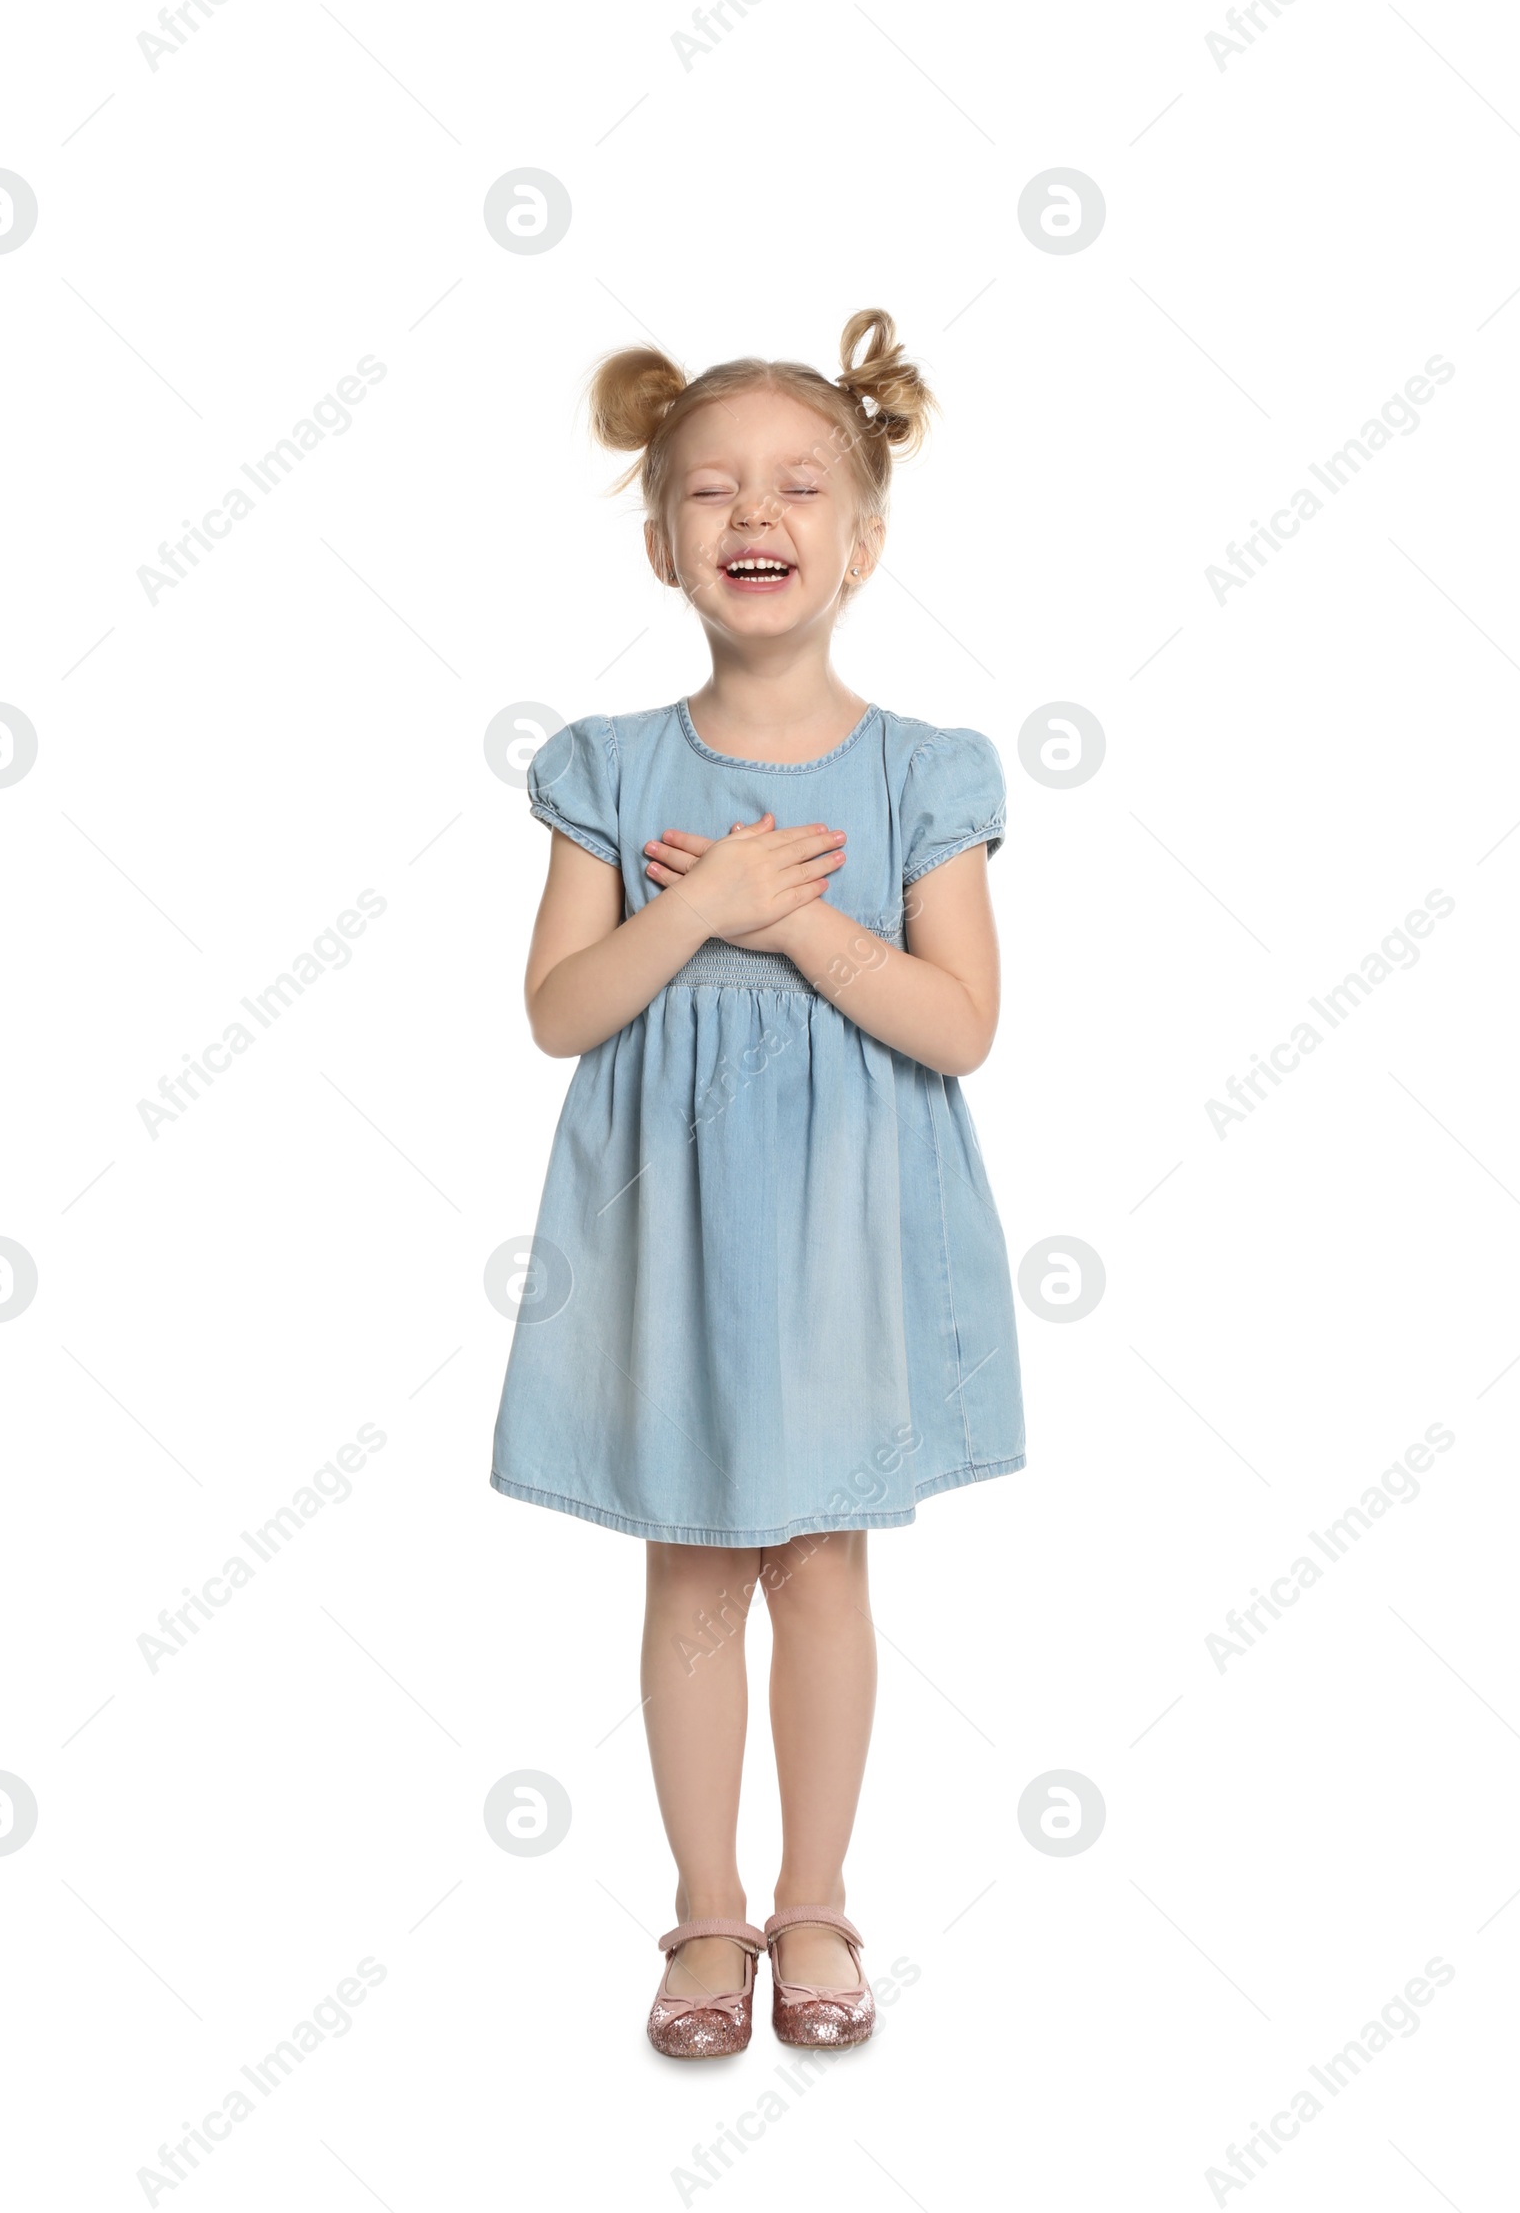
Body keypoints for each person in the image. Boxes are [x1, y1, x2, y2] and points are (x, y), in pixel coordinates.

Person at [490, 308, 1025, 2056]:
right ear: (663, 542)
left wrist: (792, 915)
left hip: (847, 1242)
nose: (757, 510)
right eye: (714, 488)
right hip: (670, 1241)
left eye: (801, 483)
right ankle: (704, 1921)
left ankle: (819, 1905)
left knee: (821, 1567)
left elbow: (958, 1027)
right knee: (692, 1573)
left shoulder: (919, 772)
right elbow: (563, 1012)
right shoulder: (609, 767)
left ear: (861, 537)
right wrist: (694, 907)